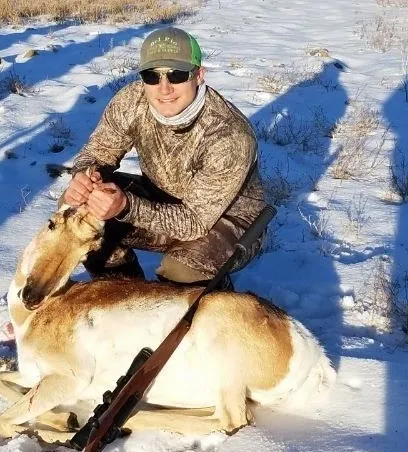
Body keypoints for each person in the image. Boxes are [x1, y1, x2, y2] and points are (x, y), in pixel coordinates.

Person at [62, 27, 268, 289]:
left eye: (177, 74)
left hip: (224, 221)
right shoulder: (131, 101)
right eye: (152, 75)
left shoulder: (229, 135)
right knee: (81, 214)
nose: (164, 88)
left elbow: (193, 223)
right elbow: (98, 152)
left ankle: (212, 305)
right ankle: (121, 294)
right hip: (161, 200)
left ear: (199, 75)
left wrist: (126, 207)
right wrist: (84, 176)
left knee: (181, 269)